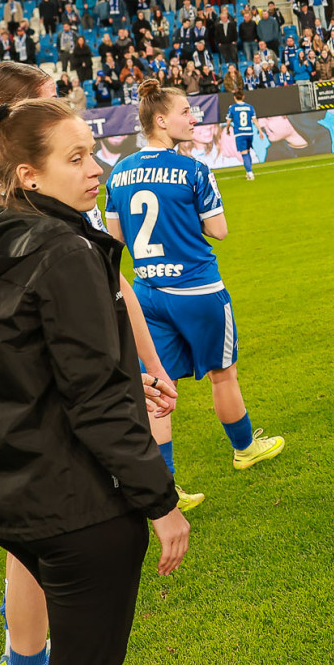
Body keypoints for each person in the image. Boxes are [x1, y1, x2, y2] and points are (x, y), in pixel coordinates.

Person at [0, 61, 179, 665]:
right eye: (77, 157)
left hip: (8, 492)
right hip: (75, 503)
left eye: (91, 153)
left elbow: (9, 362)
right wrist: (161, 503)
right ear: (28, 172)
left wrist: (109, 370)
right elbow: (93, 395)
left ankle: (23, 654)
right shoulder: (63, 245)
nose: (96, 169)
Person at [104, 80, 285, 512]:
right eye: (185, 111)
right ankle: (245, 448)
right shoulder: (193, 169)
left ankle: (165, 486)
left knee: (158, 388)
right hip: (198, 291)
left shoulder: (118, 172)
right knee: (223, 374)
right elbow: (218, 229)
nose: (193, 117)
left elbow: (115, 238)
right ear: (161, 120)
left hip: (147, 293)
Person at [226, 87, 262, 178]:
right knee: (248, 151)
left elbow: (228, 121)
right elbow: (255, 120)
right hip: (249, 133)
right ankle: (248, 171)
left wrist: (227, 129)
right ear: (243, 97)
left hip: (240, 133)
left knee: (244, 153)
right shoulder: (249, 107)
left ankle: (250, 172)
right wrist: (260, 130)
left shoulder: (232, 108)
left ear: (234, 97)